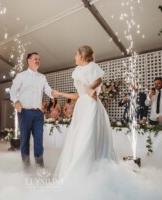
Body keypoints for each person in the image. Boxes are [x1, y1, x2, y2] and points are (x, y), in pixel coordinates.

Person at [53, 45, 116, 180]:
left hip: (90, 106)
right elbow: (79, 95)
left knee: (87, 138)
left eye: (76, 54)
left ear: (82, 56)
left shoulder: (92, 66)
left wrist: (90, 87)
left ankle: (86, 175)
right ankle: (77, 173)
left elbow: (99, 79)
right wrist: (59, 93)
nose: (74, 57)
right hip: (81, 106)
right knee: (78, 139)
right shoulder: (78, 70)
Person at [10, 52, 53, 167]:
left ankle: (39, 166)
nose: (38, 60)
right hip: (24, 112)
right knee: (25, 140)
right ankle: (26, 167)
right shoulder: (21, 76)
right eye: (35, 59)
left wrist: (55, 93)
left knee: (39, 140)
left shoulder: (42, 77)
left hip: (39, 113)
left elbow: (48, 90)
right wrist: (16, 101)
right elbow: (13, 91)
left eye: (39, 59)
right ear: (28, 60)